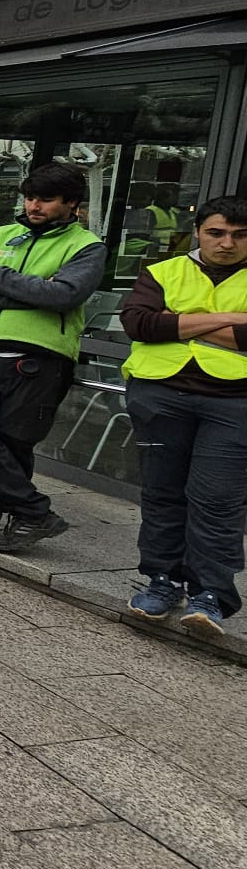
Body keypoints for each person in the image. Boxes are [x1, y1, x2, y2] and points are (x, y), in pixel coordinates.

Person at [0, 163, 107, 552]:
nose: (33, 205)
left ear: (71, 203)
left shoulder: (86, 246)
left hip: (40, 357)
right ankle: (35, 511)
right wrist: (33, 292)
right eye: (30, 197)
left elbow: (65, 295)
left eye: (45, 199)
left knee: (14, 441)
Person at [120, 195, 247, 637]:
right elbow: (140, 324)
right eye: (216, 233)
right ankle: (162, 581)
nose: (227, 243)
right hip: (160, 395)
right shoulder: (164, 271)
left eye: (239, 235)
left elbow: (162, 326)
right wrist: (231, 319)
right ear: (198, 232)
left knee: (218, 500)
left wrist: (180, 321)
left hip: (234, 403)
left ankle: (211, 595)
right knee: (163, 493)